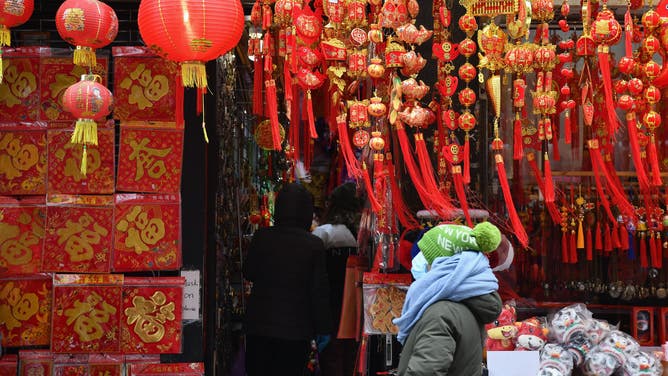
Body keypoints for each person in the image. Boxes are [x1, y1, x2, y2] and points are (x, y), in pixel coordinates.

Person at [244, 183, 332, 375]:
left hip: (260, 326)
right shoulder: (314, 245)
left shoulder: (262, 237)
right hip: (296, 330)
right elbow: (319, 292)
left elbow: (248, 272)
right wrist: (323, 327)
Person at [393, 222, 504, 375]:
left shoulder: (441, 314)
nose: (418, 263)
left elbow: (425, 371)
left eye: (426, 257)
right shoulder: (464, 307)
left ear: (445, 265)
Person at [312, 182, 364, 376]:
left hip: (330, 304)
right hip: (358, 305)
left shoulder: (324, 233)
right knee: (354, 355)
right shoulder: (364, 232)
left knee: (332, 357)